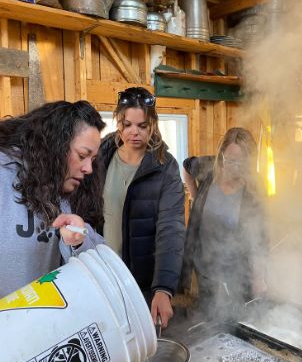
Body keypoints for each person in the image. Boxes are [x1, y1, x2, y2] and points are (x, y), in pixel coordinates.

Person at [85, 87, 184, 328]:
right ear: (118, 121)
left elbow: (170, 228)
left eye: (142, 126)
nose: (134, 133)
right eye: (127, 124)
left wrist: (163, 287)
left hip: (141, 280)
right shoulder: (100, 156)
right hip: (102, 274)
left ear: (153, 125)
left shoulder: (165, 167)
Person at [0, 101, 106, 292]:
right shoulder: (4, 173)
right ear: (56, 144)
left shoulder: (72, 190)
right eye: (82, 156)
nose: (89, 168)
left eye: (93, 159)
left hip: (45, 317)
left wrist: (78, 241)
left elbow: (101, 257)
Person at [183, 127, 266, 304]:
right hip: (203, 273)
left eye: (241, 163)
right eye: (230, 160)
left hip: (236, 278)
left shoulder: (254, 189)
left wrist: (259, 278)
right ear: (221, 156)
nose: (234, 167)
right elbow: (186, 167)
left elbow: (258, 239)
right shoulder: (207, 169)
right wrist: (196, 196)